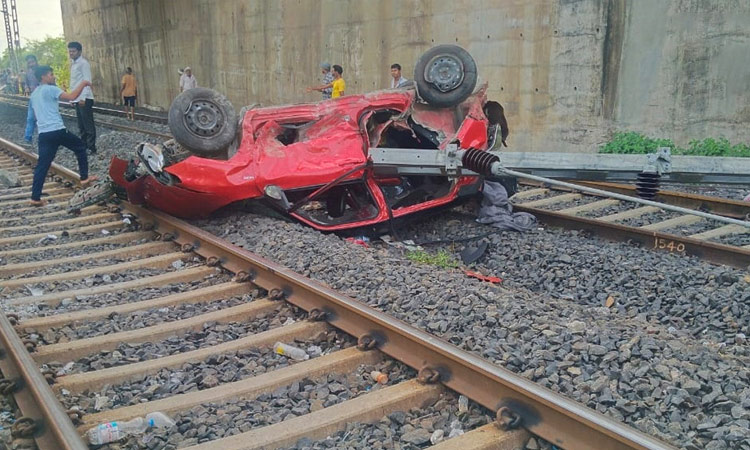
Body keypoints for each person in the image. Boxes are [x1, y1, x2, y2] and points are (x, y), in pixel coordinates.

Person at [29, 65, 98, 207]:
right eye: (50, 74)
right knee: (80, 147)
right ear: (43, 77)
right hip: (57, 130)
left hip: (44, 134)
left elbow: (36, 115)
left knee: (42, 165)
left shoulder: (34, 94)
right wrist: (84, 83)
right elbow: (72, 96)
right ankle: (84, 178)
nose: (53, 76)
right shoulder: (50, 89)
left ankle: (35, 198)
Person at [68, 41, 97, 154]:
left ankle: (91, 148)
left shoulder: (83, 64)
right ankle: (83, 146)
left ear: (79, 51)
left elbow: (87, 81)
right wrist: (72, 98)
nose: (71, 53)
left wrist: (83, 98)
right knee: (81, 125)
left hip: (84, 98)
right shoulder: (73, 64)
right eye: (70, 51)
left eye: (73, 51)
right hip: (77, 98)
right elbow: (74, 83)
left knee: (88, 124)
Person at [24, 55, 39, 144]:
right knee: (30, 118)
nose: (31, 64)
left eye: (32, 62)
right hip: (33, 98)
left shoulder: (41, 71)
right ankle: (28, 138)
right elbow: (26, 83)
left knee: (40, 118)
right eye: (29, 62)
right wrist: (26, 87)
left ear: (36, 61)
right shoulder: (28, 72)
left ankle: (45, 138)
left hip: (41, 98)